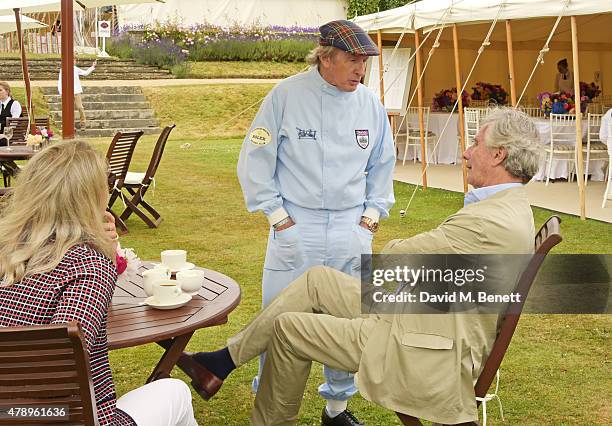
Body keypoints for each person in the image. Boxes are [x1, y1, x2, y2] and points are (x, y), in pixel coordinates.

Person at [178, 107, 543, 425]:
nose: (466, 152)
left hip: (424, 346)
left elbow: (397, 258)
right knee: (318, 280)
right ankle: (222, 361)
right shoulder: (508, 208)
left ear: (498, 155)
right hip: (429, 317)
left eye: (475, 143)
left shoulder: (487, 221)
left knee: (290, 330)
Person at [234, 19, 395, 425]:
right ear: (326, 57)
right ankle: (268, 408)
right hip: (296, 224)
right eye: (354, 60)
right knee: (277, 317)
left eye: (365, 61)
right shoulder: (285, 96)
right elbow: (256, 159)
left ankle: (337, 410)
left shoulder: (370, 104)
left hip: (350, 226)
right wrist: (278, 218)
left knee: (348, 322)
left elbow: (383, 165)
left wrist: (370, 221)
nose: (361, 69)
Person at [0, 141, 198, 426]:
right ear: (92, 196)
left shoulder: (9, 250)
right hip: (67, 418)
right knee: (175, 391)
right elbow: (62, 368)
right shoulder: (89, 264)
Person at [58, 57, 97, 129]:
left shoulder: (76, 69)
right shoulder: (62, 69)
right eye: (73, 60)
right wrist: (61, 91)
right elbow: (60, 81)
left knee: (80, 107)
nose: (74, 61)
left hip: (76, 91)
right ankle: (70, 125)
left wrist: (92, 66)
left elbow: (85, 73)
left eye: (75, 60)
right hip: (67, 92)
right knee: (69, 109)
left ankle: (83, 123)